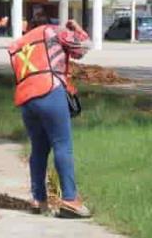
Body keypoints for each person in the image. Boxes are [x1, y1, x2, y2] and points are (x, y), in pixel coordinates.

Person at [8, 19, 91, 218]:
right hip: (49, 91)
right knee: (62, 145)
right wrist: (77, 29)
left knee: (39, 148)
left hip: (26, 99)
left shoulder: (19, 43)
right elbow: (82, 49)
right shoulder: (53, 31)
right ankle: (70, 200)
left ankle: (39, 200)